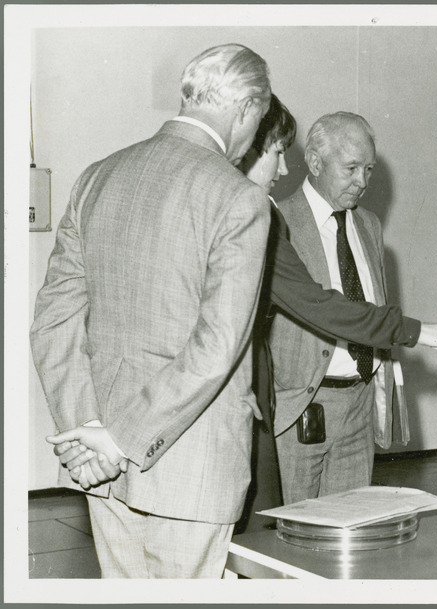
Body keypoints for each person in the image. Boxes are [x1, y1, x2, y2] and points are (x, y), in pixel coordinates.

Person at [29, 44, 272, 578]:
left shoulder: (97, 176)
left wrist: (88, 434)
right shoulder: (239, 198)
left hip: (102, 465)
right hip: (191, 465)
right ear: (248, 110)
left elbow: (52, 323)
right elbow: (216, 350)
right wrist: (121, 439)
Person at [237, 99, 437, 526]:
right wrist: (418, 331)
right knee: (293, 529)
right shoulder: (277, 220)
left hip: (359, 403)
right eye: (351, 168)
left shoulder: (368, 224)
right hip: (301, 405)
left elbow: (370, 305)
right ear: (314, 161)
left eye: (368, 170)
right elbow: (325, 310)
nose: (362, 181)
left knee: (351, 529)